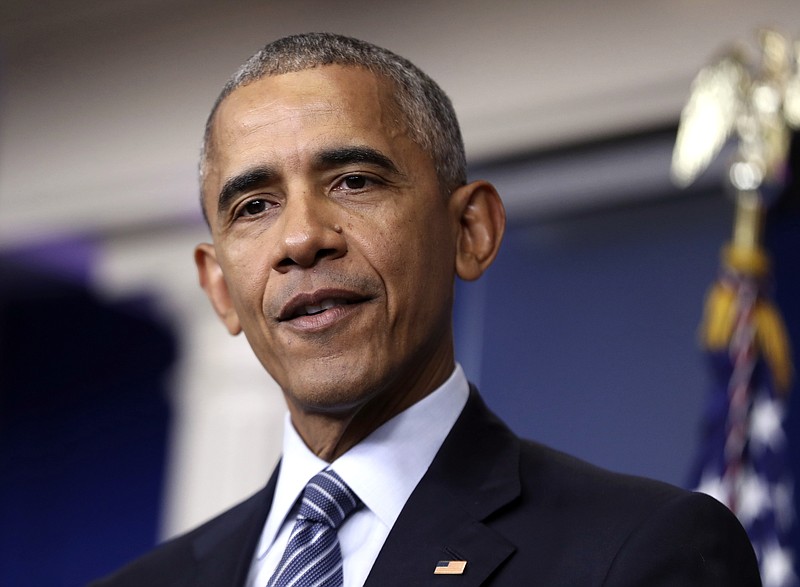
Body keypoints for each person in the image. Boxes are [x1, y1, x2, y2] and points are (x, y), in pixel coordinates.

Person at [91, 33, 762, 586]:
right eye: (254, 206)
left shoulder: (641, 552)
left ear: (471, 232)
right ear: (218, 288)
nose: (300, 238)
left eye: (355, 181)